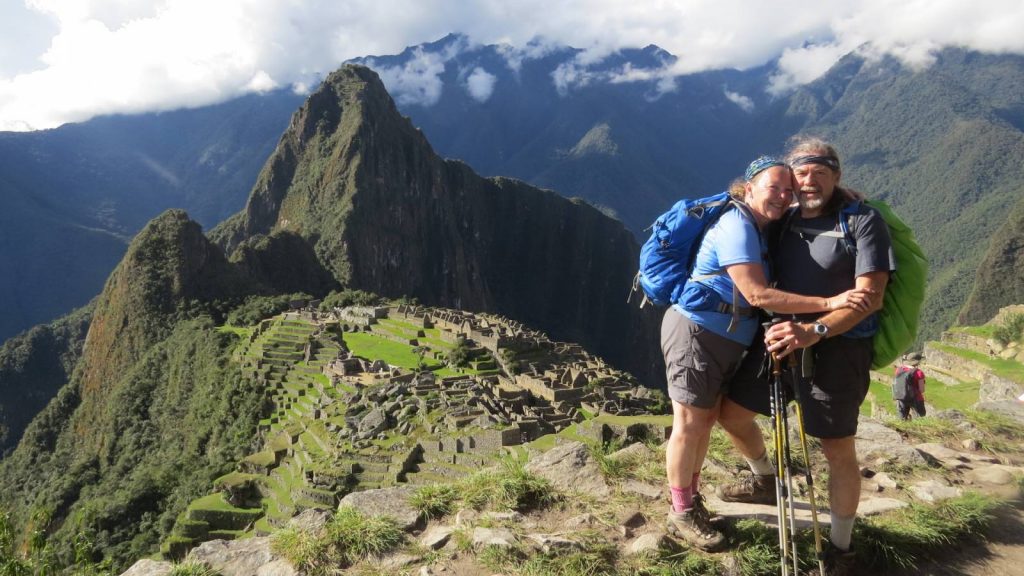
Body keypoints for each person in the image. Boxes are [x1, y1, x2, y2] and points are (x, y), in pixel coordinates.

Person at [661, 155, 872, 551]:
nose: (782, 195)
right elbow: (757, 294)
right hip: (698, 331)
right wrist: (830, 302)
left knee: (705, 420)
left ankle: (692, 501)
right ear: (748, 187)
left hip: (728, 337)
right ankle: (681, 512)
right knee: (689, 422)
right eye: (773, 187)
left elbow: (815, 200)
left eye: (787, 189)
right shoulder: (737, 225)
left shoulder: (764, 224)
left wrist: (840, 195)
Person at [715, 137, 894, 575]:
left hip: (838, 349)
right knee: (732, 415)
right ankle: (763, 478)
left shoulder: (863, 221)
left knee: (836, 449)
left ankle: (841, 547)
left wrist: (813, 331)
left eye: (821, 172)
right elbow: (742, 205)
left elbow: (869, 298)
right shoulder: (785, 218)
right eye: (802, 172)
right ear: (791, 178)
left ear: (837, 176)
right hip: (779, 340)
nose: (810, 180)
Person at [895, 352, 926, 420]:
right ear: (918, 362)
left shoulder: (898, 369)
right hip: (915, 398)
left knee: (902, 418)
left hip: (901, 396)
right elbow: (922, 389)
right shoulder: (919, 373)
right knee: (920, 418)